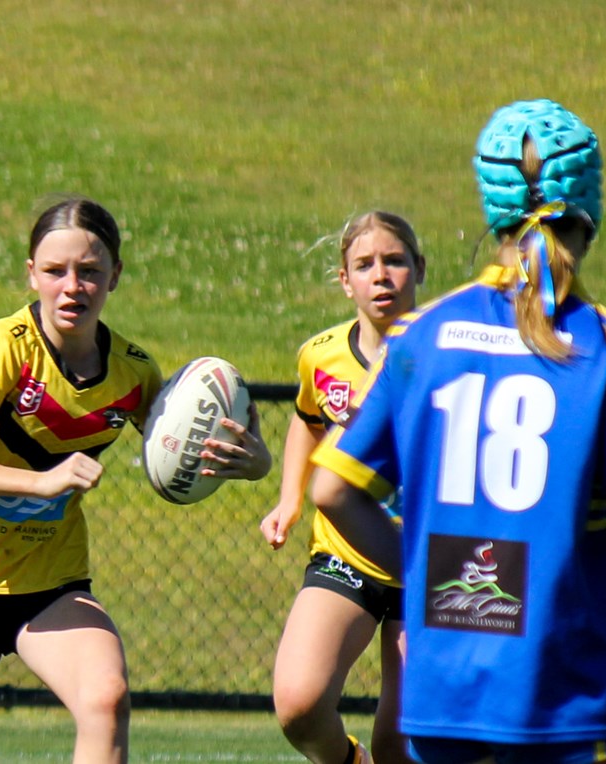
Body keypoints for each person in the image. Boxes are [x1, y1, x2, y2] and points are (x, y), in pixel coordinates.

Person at [309, 99, 606, 764]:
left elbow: (333, 489)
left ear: (492, 206)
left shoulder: (421, 338)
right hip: (571, 698)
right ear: (590, 206)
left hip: (443, 696)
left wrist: (429, 578)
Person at [0, 197, 273, 764]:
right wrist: (40, 481)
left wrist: (252, 463)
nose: (73, 287)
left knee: (105, 699)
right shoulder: (4, 348)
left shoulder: (133, 373)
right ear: (31, 273)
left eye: (90, 271)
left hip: (51, 584)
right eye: (56, 271)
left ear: (115, 276)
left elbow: (176, 460)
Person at [261, 211, 425, 764]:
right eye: (365, 264)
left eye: (395, 261)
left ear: (419, 269)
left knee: (401, 743)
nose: (381, 276)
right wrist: (288, 499)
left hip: (424, 559)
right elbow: (307, 420)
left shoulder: (451, 355)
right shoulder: (321, 355)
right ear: (345, 280)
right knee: (299, 705)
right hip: (346, 551)